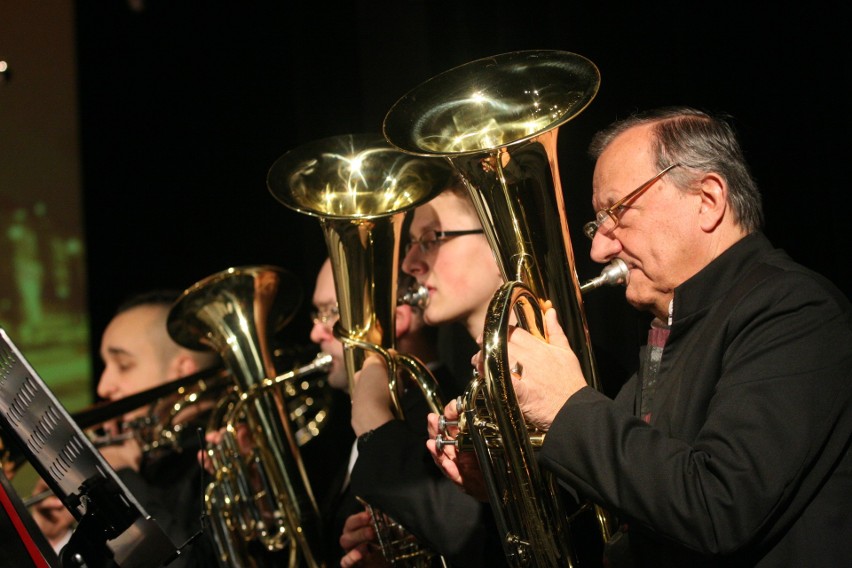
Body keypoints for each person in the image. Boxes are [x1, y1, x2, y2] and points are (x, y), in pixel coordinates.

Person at [429, 106, 852, 567]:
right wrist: (501, 472)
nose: (598, 247)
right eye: (598, 223)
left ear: (707, 199)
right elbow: (634, 482)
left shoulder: (795, 308)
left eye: (616, 213)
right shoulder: (674, 328)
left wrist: (564, 403)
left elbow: (718, 507)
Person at [339, 179, 509, 568]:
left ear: (497, 241)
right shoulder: (476, 383)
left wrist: (372, 422)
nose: (409, 263)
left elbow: (470, 531)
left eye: (431, 239)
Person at [31, 289, 222, 567]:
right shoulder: (147, 456)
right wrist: (55, 535)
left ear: (182, 372)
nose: (104, 387)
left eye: (123, 365)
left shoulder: (215, 460)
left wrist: (121, 478)